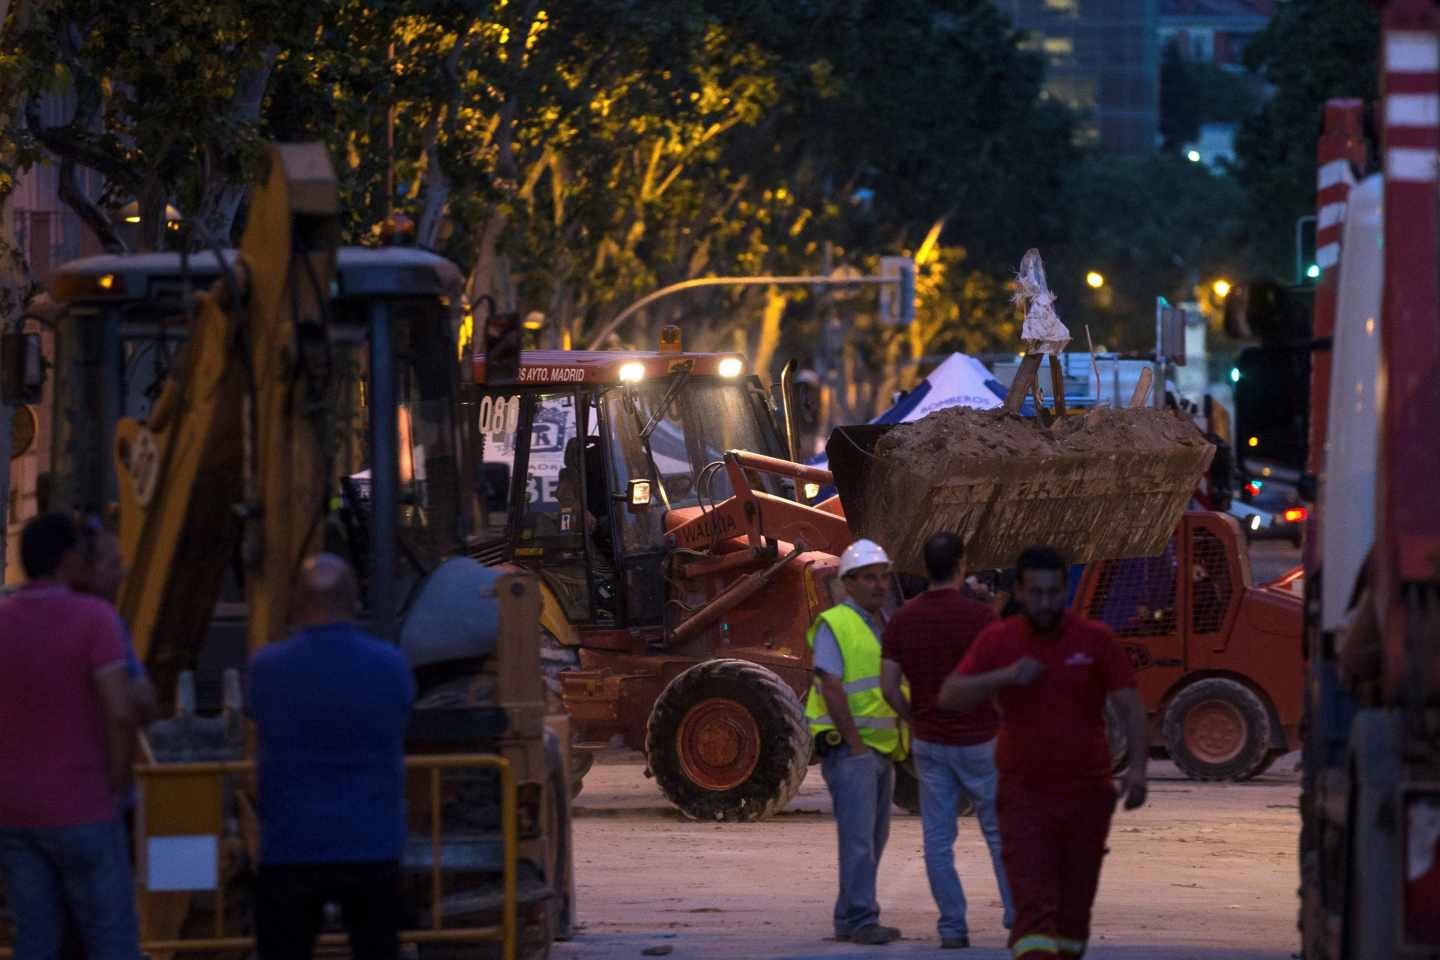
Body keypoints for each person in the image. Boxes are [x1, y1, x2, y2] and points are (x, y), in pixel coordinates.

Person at [939, 546, 1149, 960]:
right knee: (1033, 906)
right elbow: (951, 695)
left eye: (1054, 592)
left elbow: (1129, 707)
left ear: (1064, 590)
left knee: (1073, 913)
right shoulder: (1000, 640)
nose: (1046, 602)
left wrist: (1139, 769)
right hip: (1024, 798)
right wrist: (1005, 676)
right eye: (1036, 593)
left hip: (1086, 797)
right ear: (1019, 590)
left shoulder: (1095, 640)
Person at [247, 554, 415, 960]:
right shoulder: (389, 665)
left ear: (297, 602)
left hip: (291, 845)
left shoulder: (267, 668)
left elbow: (256, 723)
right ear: (354, 600)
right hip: (372, 842)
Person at [0, 512, 141, 960]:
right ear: (67, 560)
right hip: (82, 804)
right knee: (111, 936)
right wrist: (116, 783)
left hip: (13, 810)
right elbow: (120, 711)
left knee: (35, 938)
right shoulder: (94, 618)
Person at [880, 532, 1013, 948]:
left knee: (938, 840)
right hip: (979, 740)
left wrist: (915, 718)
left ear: (924, 568)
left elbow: (888, 687)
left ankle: (953, 928)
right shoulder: (981, 619)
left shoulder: (903, 619)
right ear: (961, 565)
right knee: (1000, 834)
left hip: (929, 744)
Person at [805, 538, 905, 947]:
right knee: (860, 840)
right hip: (853, 751)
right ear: (848, 583)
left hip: (879, 748)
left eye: (883, 577)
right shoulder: (836, 623)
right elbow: (831, 685)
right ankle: (863, 919)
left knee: (871, 839)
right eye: (869, 578)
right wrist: (856, 745)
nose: (879, 585)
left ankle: (849, 917)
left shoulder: (883, 623)